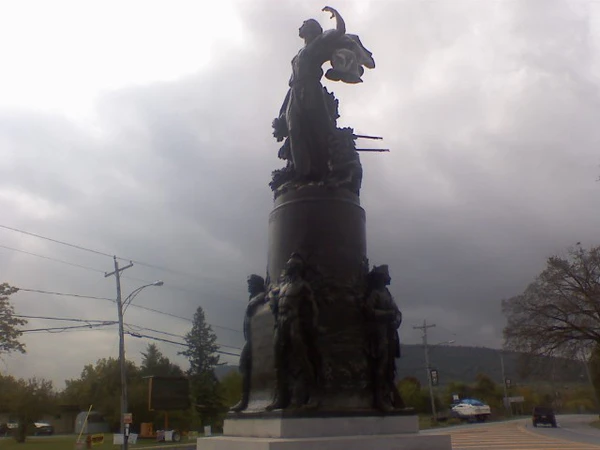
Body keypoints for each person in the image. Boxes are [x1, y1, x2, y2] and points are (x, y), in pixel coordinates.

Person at [272, 6, 374, 180]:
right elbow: (293, 80)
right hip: (295, 92)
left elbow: (340, 30)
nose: (300, 26)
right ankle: (301, 172)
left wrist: (336, 14)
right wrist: (284, 106)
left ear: (312, 29)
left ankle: (323, 169)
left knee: (318, 128)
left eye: (304, 24)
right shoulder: (299, 54)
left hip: (311, 89)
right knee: (294, 130)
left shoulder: (318, 43)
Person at [266, 253, 321, 410]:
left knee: (303, 358)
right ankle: (281, 397)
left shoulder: (303, 286)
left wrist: (314, 324)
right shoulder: (283, 285)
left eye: (290, 265)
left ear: (296, 268)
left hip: (293, 322)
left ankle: (314, 395)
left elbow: (313, 306)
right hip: (280, 323)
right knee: (279, 360)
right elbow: (271, 292)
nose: (287, 267)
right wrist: (271, 298)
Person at [364, 265, 404, 412]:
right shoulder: (375, 294)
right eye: (385, 276)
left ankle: (388, 396)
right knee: (381, 364)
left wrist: (396, 320)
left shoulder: (386, 293)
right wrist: (387, 315)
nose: (388, 278)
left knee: (389, 366)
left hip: (390, 333)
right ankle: (379, 398)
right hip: (379, 334)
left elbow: (397, 312)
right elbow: (368, 311)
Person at [230, 275, 267, 412]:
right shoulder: (252, 298)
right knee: (245, 367)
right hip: (250, 338)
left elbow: (266, 294)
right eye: (248, 283)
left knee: (245, 366)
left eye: (251, 283)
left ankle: (245, 400)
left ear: (258, 284)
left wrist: (256, 299)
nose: (249, 286)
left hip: (256, 339)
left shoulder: (261, 296)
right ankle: (247, 399)